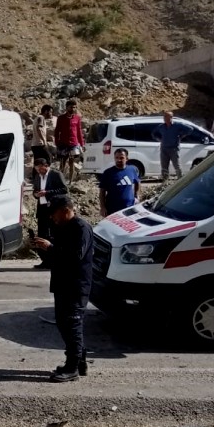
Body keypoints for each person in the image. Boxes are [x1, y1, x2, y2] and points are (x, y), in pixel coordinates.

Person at [29, 196, 94, 383]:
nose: (52, 217)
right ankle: (79, 361)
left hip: (76, 285)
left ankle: (72, 367)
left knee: (72, 324)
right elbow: (57, 254)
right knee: (63, 323)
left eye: (54, 213)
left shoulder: (81, 228)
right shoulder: (62, 227)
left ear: (66, 210)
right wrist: (43, 247)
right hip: (62, 283)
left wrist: (51, 247)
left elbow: (75, 256)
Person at [29, 158, 68, 270]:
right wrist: (36, 194)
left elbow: (64, 190)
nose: (39, 171)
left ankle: (56, 260)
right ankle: (46, 260)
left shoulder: (55, 174)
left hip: (53, 209)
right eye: (37, 169)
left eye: (41, 168)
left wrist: (47, 193)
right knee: (42, 235)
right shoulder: (37, 176)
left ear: (46, 166)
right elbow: (35, 190)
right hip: (42, 209)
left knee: (54, 235)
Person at [152, 111, 193, 181]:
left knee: (177, 165)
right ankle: (165, 181)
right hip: (164, 148)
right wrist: (159, 139)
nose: (165, 118)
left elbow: (190, 129)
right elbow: (153, 133)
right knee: (164, 167)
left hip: (174, 148)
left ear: (171, 117)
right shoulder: (161, 127)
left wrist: (181, 135)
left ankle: (180, 180)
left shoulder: (177, 125)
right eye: (164, 117)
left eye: (166, 116)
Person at [99, 148, 140, 217]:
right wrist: (102, 207)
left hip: (129, 207)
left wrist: (136, 195)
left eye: (121, 158)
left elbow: (137, 182)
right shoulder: (108, 173)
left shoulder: (132, 169)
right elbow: (102, 192)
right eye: (116, 158)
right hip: (112, 209)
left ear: (127, 158)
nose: (118, 160)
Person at [53, 100, 85, 182]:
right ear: (66, 108)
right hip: (63, 144)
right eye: (71, 107)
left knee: (72, 163)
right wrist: (57, 142)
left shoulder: (77, 118)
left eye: (74, 107)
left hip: (74, 144)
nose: (73, 109)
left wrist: (82, 144)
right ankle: (60, 181)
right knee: (62, 163)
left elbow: (79, 131)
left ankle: (70, 181)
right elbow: (57, 131)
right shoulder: (61, 118)